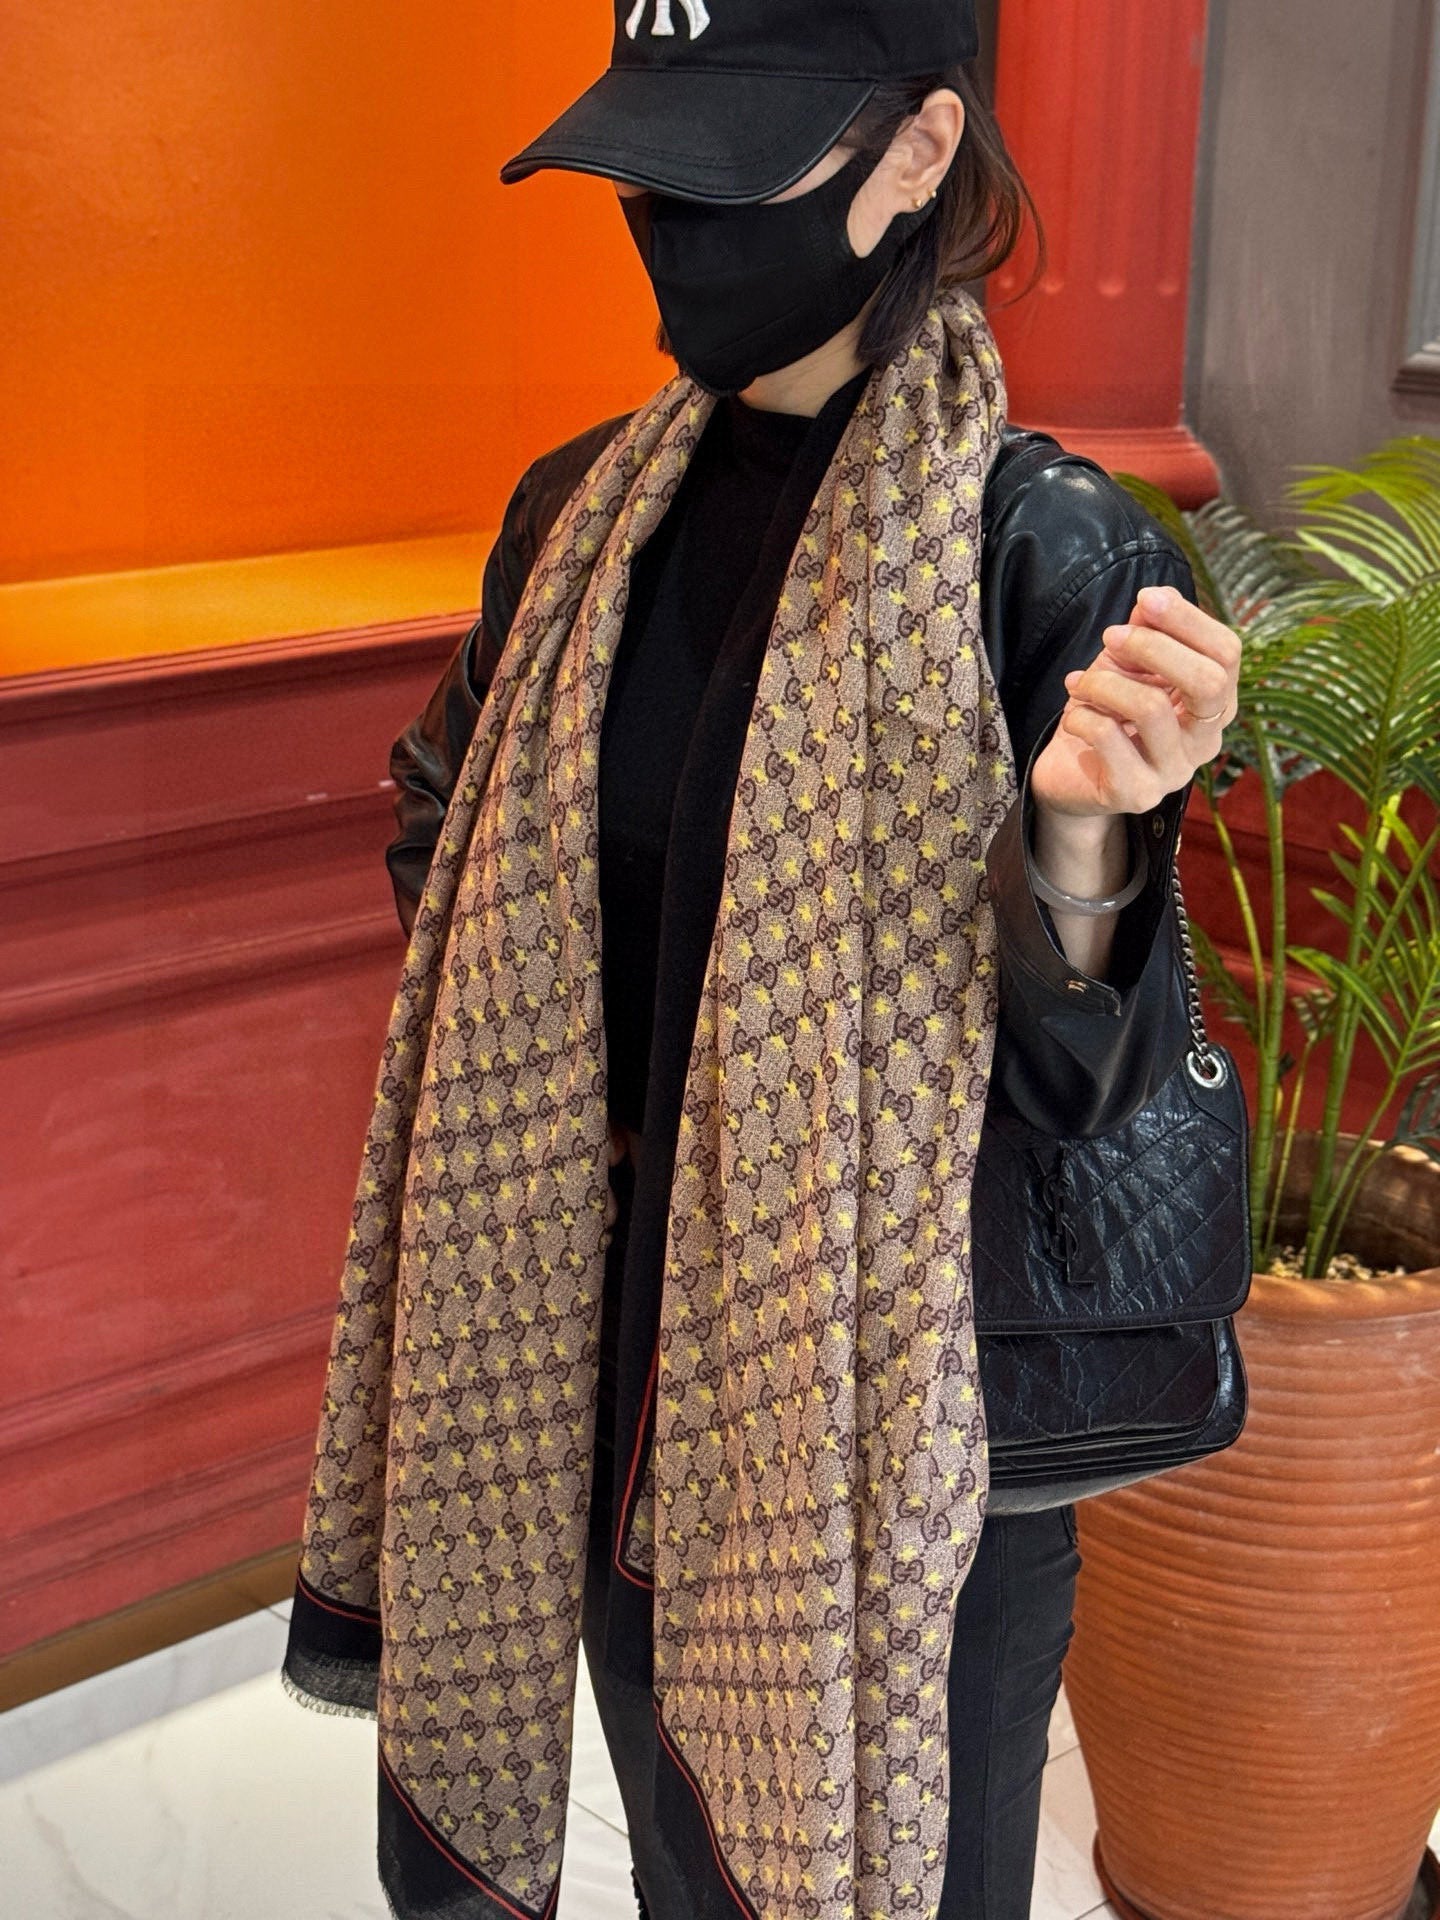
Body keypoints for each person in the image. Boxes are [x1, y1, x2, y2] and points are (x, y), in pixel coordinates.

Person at [282, 5, 1241, 1918]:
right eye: (648, 165)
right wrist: (557, 1078)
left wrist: (1078, 837)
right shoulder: (580, 520)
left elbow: (1085, 1080)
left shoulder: (1045, 553)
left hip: (903, 1405)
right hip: (598, 1355)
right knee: (682, 1853)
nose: (670, 217)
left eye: (730, 166)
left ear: (918, 154)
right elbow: (440, 817)